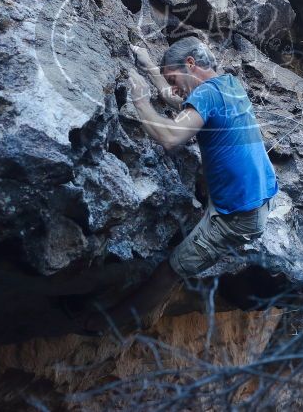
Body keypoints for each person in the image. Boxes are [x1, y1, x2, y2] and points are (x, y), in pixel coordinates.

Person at [67, 37, 278, 336]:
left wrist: (139, 100)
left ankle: (100, 325)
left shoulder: (206, 95)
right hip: (256, 199)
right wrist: (153, 68)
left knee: (170, 271)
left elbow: (170, 137)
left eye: (174, 78)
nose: (175, 87)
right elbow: (179, 101)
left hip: (236, 216)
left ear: (190, 64)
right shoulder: (228, 85)